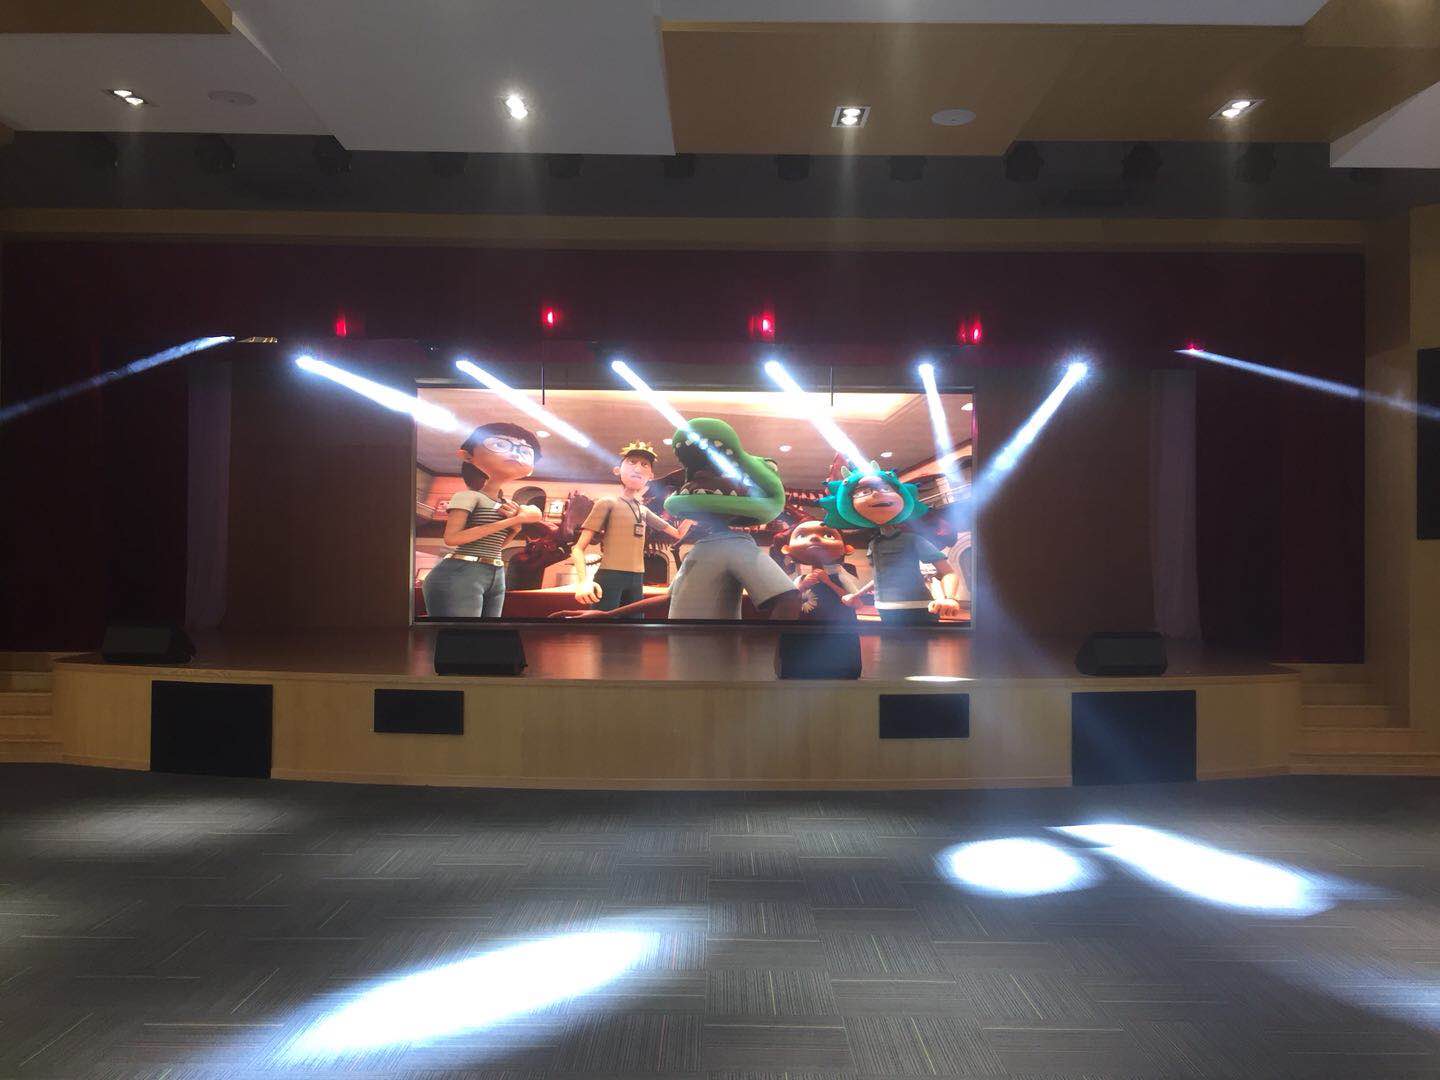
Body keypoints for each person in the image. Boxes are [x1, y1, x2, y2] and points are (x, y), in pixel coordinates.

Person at [422, 422, 545, 618]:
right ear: (467, 455)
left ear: (530, 469)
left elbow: (494, 545)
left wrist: (515, 528)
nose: (515, 454)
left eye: (525, 451)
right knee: (460, 633)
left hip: (495, 571)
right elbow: (452, 538)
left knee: (488, 631)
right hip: (460, 571)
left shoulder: (508, 504)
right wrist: (512, 521)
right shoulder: (468, 496)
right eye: (500, 445)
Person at [817, 465, 962, 625]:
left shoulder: (913, 540)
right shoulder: (874, 544)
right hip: (885, 609)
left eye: (885, 488)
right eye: (864, 491)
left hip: (917, 608)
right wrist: (857, 595)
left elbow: (948, 572)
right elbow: (880, 577)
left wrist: (950, 598)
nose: (876, 493)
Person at [570, 441, 690, 613]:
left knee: (635, 625)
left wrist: (694, 516)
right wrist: (583, 581)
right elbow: (578, 548)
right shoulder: (607, 502)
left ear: (650, 475)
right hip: (610, 576)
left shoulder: (643, 510)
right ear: (617, 470)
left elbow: (678, 533)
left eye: (644, 464)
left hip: (637, 578)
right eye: (632, 462)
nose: (638, 469)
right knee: (602, 624)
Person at [781, 520, 860, 622]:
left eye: (829, 536)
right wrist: (803, 586)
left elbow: (857, 604)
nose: (814, 538)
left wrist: (829, 582)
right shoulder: (800, 579)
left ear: (846, 549)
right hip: (806, 627)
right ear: (787, 549)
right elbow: (788, 604)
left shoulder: (840, 578)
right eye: (801, 536)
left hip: (838, 627)